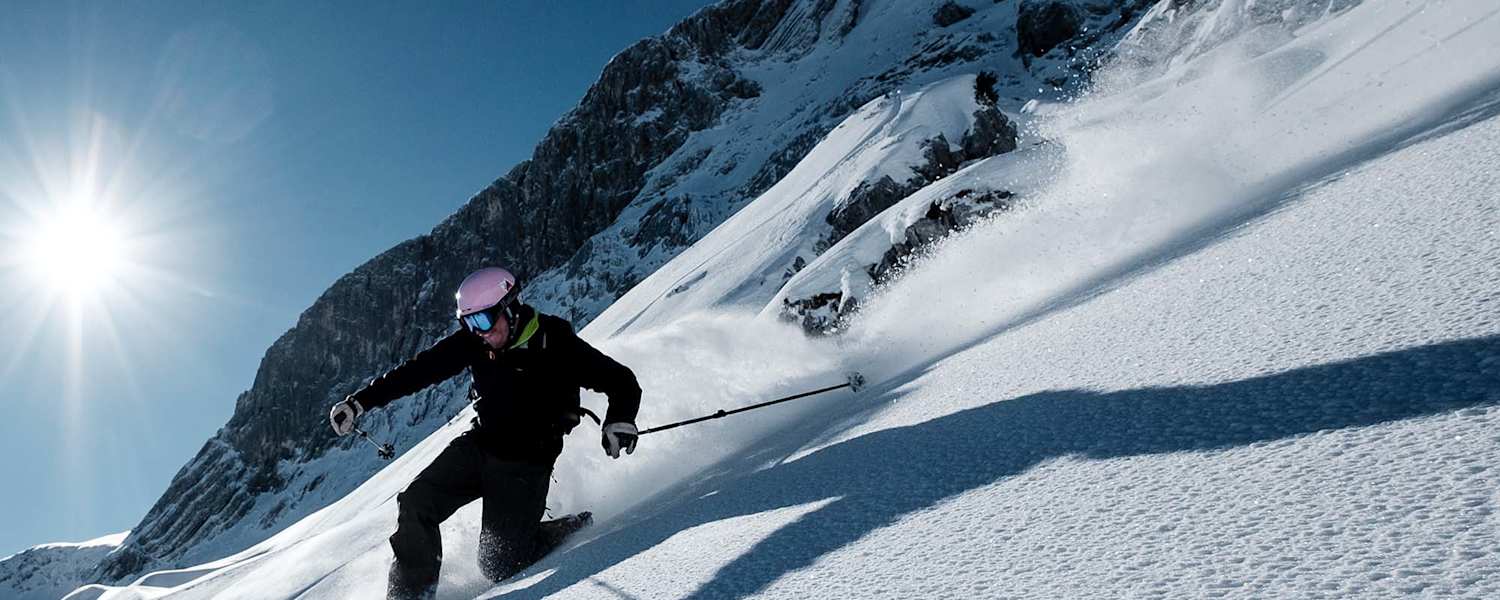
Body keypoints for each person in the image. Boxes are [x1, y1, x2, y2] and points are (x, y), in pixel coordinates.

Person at [328, 266, 641, 600]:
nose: (477, 332)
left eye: (482, 322)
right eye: (468, 323)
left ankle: (565, 527)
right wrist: (361, 402)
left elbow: (621, 381)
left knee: (499, 565)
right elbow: (417, 372)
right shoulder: (474, 342)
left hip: (526, 461)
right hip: (480, 444)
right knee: (417, 502)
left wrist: (619, 419)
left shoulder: (556, 343)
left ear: (510, 307)